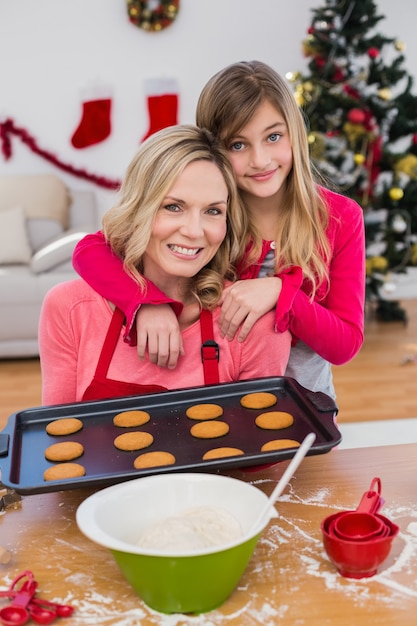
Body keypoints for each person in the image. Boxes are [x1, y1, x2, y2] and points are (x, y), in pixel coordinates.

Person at [72, 61, 365, 400]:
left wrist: (279, 293)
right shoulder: (209, 216)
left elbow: (345, 345)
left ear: (295, 133)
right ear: (216, 149)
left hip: (307, 404)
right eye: (238, 145)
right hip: (217, 399)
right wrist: (146, 303)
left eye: (273, 137)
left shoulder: (341, 218)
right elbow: (89, 250)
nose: (260, 160)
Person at [39, 125, 291, 405]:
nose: (195, 231)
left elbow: (261, 444)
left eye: (213, 211)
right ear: (138, 210)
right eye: (173, 206)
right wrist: (147, 301)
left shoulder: (253, 326)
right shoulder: (69, 308)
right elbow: (57, 437)